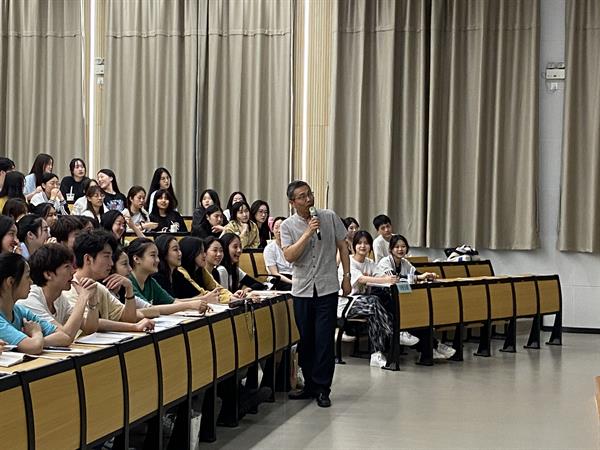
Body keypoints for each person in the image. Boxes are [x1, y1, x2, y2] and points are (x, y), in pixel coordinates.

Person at [280, 180, 351, 408]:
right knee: (306, 340)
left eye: (309, 194)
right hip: (302, 290)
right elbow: (289, 256)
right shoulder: (287, 226)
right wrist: (308, 233)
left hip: (327, 288)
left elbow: (343, 247)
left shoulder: (329, 216)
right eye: (302, 197)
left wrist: (346, 276)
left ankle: (322, 388)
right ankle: (309, 385)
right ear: (292, 202)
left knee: (324, 340)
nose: (308, 199)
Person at [377, 234, 455, 360]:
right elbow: (394, 278)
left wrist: (427, 275)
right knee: (413, 319)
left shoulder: (405, 262)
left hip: (402, 300)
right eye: (397, 247)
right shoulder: (385, 262)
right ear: (391, 249)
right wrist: (419, 277)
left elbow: (416, 274)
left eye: (403, 246)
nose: (400, 249)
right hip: (386, 303)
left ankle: (431, 348)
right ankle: (433, 346)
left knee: (421, 316)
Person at [62, 230, 155, 332]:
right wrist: (134, 327)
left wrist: (129, 289)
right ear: (88, 259)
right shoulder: (68, 289)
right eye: (106, 256)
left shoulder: (98, 288)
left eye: (111, 257)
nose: (111, 263)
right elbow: (89, 324)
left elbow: (129, 318)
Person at [337, 231, 397, 368]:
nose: (363, 246)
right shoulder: (348, 261)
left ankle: (376, 354)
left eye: (366, 243)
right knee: (374, 301)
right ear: (353, 246)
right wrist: (385, 280)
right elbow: (361, 279)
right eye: (359, 243)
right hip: (346, 303)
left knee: (376, 309)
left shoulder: (370, 263)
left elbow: (381, 276)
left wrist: (390, 278)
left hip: (366, 303)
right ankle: (392, 331)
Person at [17, 243, 99, 339]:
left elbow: (89, 329)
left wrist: (92, 301)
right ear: (48, 274)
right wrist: (83, 297)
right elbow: (66, 336)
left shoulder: (59, 298)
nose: (73, 271)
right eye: (67, 267)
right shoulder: (30, 300)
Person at [0, 252, 71, 353]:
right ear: (10, 282)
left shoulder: (21, 311)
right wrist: (36, 333)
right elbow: (33, 347)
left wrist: (38, 341)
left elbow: (64, 337)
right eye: (27, 276)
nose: (31, 282)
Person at [126, 237, 212, 308]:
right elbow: (150, 309)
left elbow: (172, 302)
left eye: (157, 256)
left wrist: (200, 301)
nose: (157, 260)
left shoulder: (150, 281)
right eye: (153, 255)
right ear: (136, 259)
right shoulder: (129, 282)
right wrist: (190, 305)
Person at [151, 235, 220, 305]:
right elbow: (171, 302)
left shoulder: (178, 275)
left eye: (179, 249)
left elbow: (197, 295)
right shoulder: (156, 277)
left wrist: (207, 297)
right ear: (164, 253)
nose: (180, 253)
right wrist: (204, 299)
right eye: (175, 250)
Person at [180, 236, 234, 304]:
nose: (204, 255)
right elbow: (203, 294)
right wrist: (231, 299)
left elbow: (218, 288)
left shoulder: (201, 269)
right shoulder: (181, 273)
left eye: (204, 251)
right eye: (201, 252)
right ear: (191, 253)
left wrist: (232, 296)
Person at [264, 216, 293, 291]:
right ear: (272, 230)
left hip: (295, 276)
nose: (279, 231)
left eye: (282, 227)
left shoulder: (294, 245)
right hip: (279, 278)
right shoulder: (269, 249)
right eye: (276, 227)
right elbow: (274, 273)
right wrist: (293, 282)